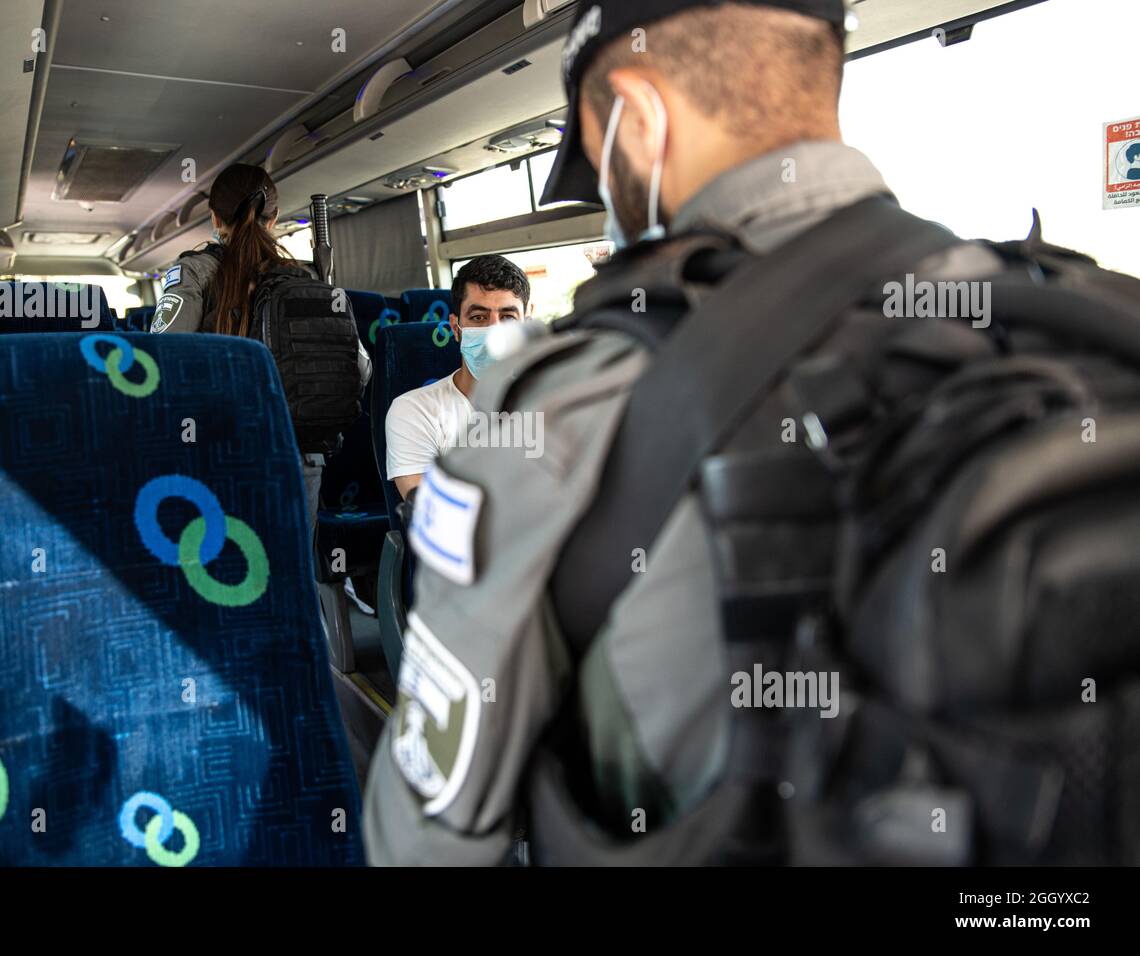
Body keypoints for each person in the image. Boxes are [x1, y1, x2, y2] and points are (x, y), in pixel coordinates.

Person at [364, 0, 1140, 866]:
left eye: (596, 158)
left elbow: (427, 839)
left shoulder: (562, 406)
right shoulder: (1087, 312)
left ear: (639, 119)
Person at [151, 163, 371, 536]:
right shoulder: (309, 278)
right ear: (275, 218)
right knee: (295, 571)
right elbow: (360, 367)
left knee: (230, 573)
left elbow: (161, 360)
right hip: (300, 452)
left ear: (214, 218)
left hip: (220, 452)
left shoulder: (195, 272)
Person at [384, 255, 531, 500]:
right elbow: (430, 512)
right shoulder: (415, 410)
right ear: (455, 327)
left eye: (507, 317)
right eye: (478, 317)